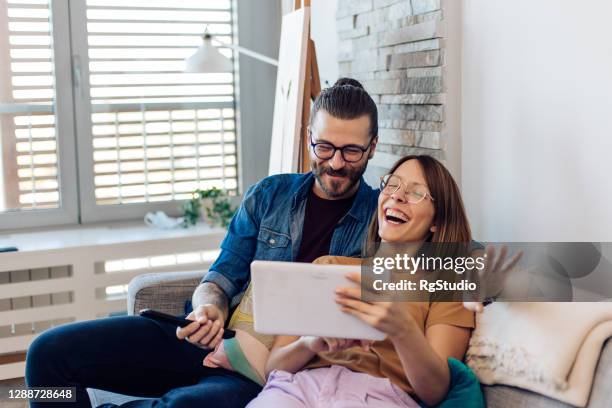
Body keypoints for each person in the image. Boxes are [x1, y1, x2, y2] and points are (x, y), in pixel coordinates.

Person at [25, 78, 381, 408]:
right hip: (207, 338)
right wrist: (209, 308)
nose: (335, 163)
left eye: (351, 151)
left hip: (263, 373)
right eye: (325, 147)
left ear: (372, 147)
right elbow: (220, 277)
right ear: (308, 138)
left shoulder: (382, 221)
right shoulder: (270, 194)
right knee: (47, 354)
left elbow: (417, 288)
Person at [246, 155, 487, 408]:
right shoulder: (329, 267)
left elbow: (436, 391)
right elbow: (273, 367)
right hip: (297, 388)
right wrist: (311, 343)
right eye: (392, 185)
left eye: (417, 193)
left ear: (437, 221)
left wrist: (402, 330)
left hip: (378, 397)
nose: (397, 196)